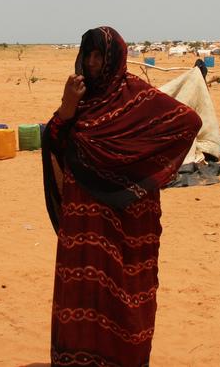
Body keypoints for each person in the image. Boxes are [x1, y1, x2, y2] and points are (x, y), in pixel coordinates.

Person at [42, 26, 202, 366]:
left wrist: (140, 173)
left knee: (123, 293)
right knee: (84, 293)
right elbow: (55, 142)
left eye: (100, 55)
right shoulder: (79, 97)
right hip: (84, 226)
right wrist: (66, 108)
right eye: (88, 54)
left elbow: (187, 121)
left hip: (127, 221)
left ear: (115, 58)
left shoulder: (137, 96)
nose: (93, 62)